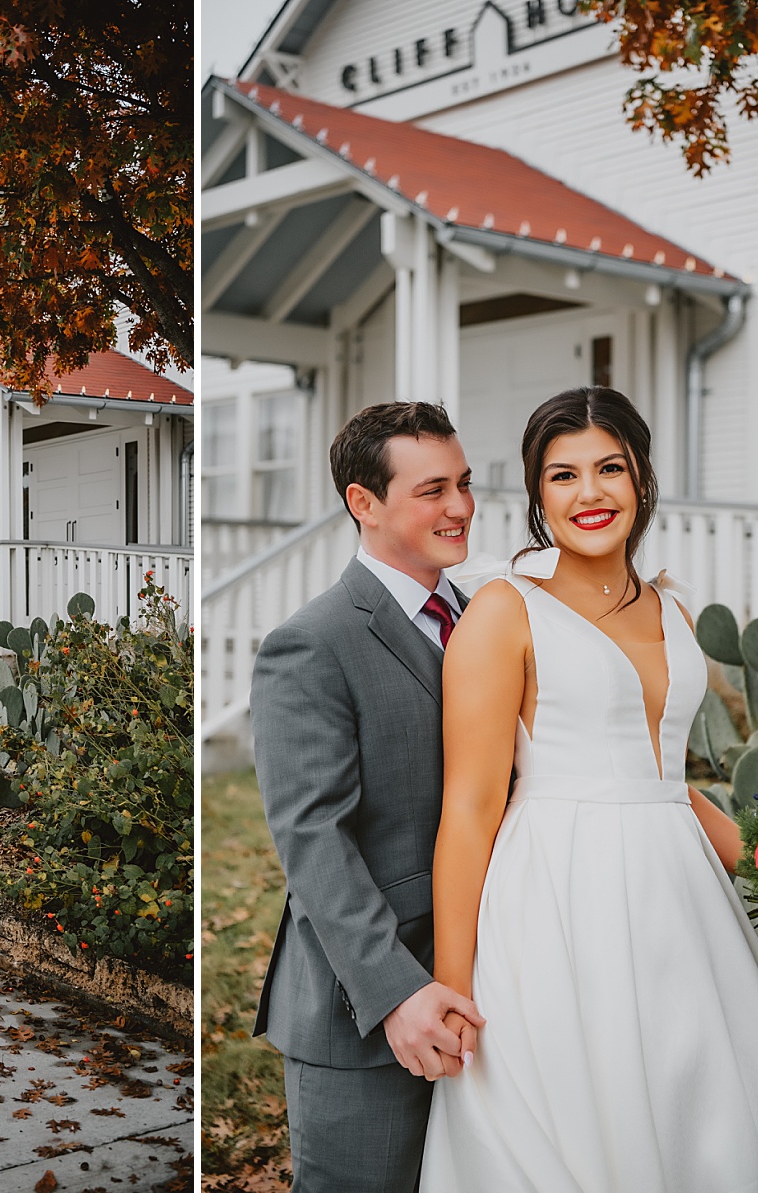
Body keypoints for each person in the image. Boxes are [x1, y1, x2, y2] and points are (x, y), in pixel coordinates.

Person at [420, 387, 758, 1190]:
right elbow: (470, 805)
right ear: (538, 495)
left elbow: (669, 782)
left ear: (643, 479)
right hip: (557, 890)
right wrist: (452, 983)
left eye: (610, 467)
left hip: (680, 899)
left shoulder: (673, 607)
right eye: (563, 475)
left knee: (702, 1102)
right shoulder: (504, 611)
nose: (591, 493)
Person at [249, 401, 487, 1192]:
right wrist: (397, 992)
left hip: (495, 980)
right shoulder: (312, 643)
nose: (459, 507)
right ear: (364, 501)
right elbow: (312, 835)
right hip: (370, 1008)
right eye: (432, 490)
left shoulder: (485, 615)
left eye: (463, 483)